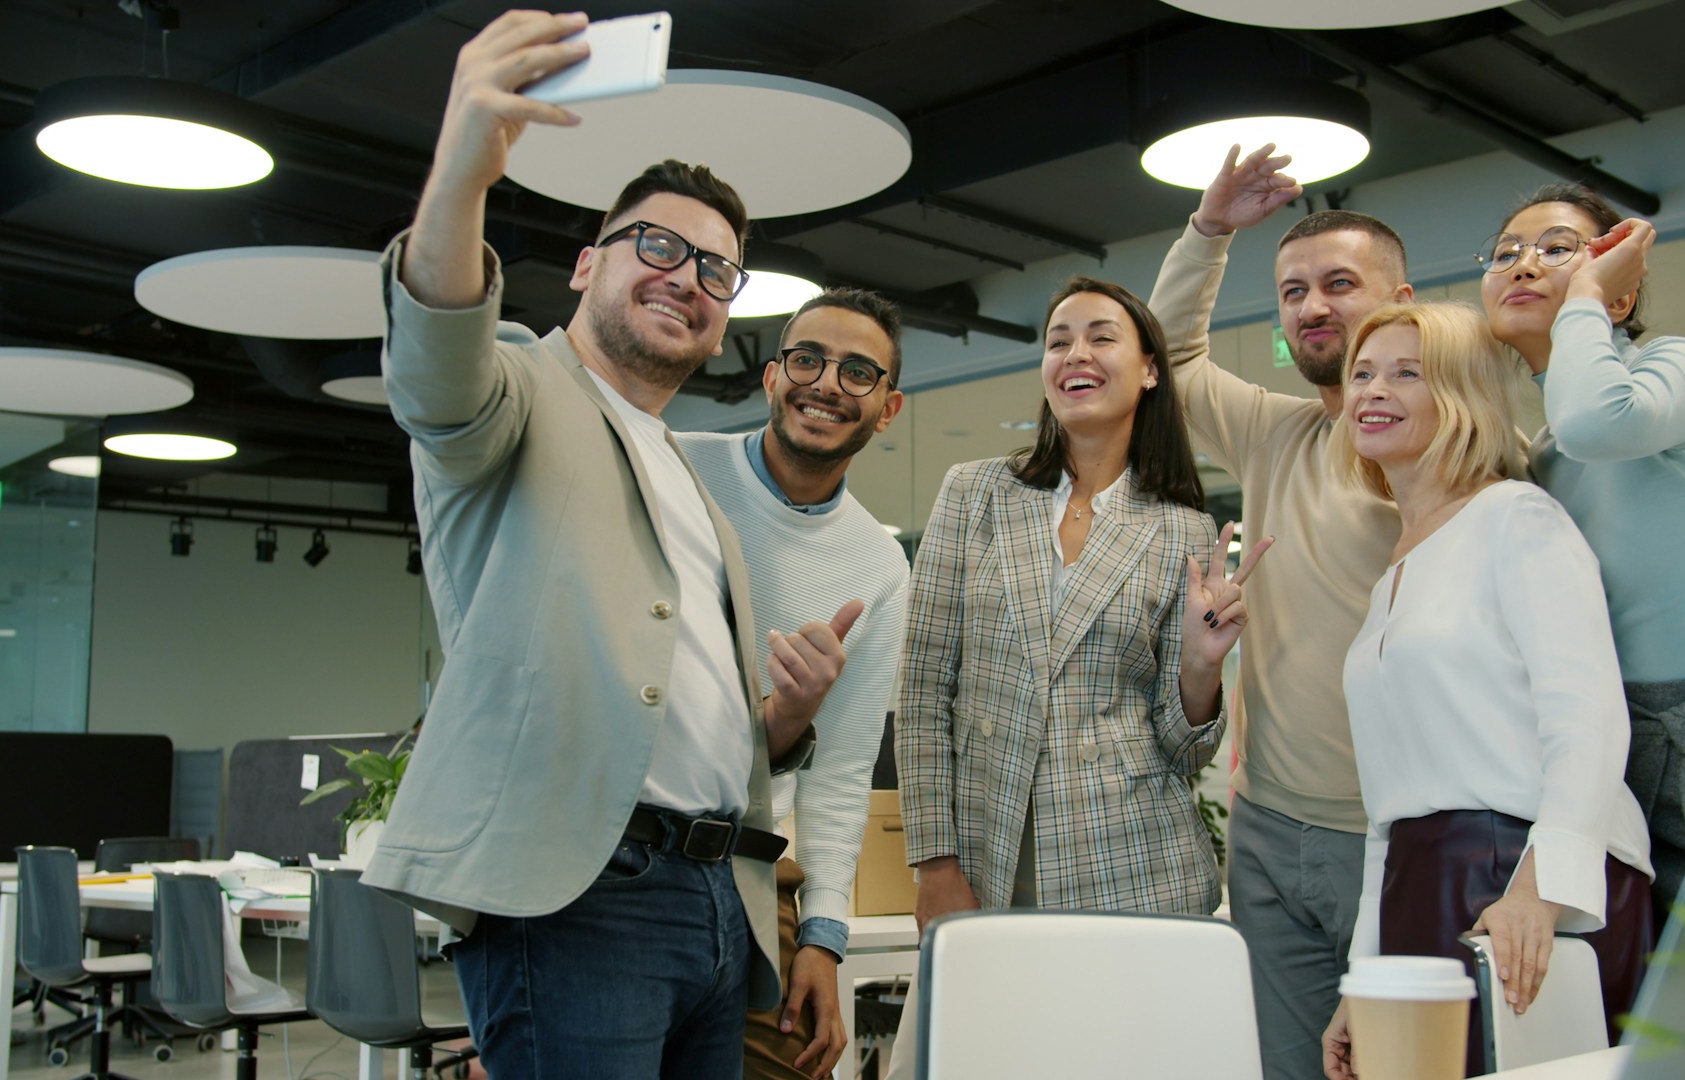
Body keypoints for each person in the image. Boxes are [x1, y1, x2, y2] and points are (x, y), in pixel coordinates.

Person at [363, 12, 858, 1076]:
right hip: (580, 895)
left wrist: (786, 717)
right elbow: (434, 364)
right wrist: (464, 166)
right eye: (662, 247)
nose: (689, 277)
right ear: (587, 266)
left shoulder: (689, 478)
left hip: (714, 897)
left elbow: (672, 715)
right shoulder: (516, 392)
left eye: (719, 272)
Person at [1318, 302, 1653, 1080]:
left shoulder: (1517, 517)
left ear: (1463, 396)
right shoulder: (1391, 576)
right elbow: (1387, 815)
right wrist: (1362, 982)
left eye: (1408, 372)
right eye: (1362, 373)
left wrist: (1541, 889)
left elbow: (1590, 716)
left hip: (1522, 874)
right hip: (1420, 878)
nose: (1373, 389)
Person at [1147, 144, 1407, 1080]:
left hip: (1397, 836)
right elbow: (1168, 356)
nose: (1313, 307)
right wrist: (1208, 231)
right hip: (1267, 830)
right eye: (1293, 291)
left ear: (1402, 300)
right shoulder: (1275, 431)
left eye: (1340, 283)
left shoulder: (1452, 449)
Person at [900, 273, 1267, 926]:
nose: (1076, 355)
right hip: (988, 860)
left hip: (1135, 863)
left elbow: (1184, 750)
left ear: (1150, 370)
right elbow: (925, 689)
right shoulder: (974, 494)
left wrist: (1202, 666)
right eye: (1058, 342)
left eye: (1102, 338)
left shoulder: (1180, 527)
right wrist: (934, 862)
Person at [1480, 182, 1685, 917]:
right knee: (1657, 1009)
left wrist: (1587, 296)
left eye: (1558, 249)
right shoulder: (1547, 452)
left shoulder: (1683, 369)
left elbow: (1603, 422)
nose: (1524, 264)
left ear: (1618, 296)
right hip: (1624, 755)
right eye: (1505, 254)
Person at [675, 287, 911, 1080]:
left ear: (888, 408)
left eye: (858, 372)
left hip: (754, 869)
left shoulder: (878, 564)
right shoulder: (678, 467)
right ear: (772, 376)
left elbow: (842, 775)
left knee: (793, 1060)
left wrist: (825, 937)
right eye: (808, 359)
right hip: (623, 847)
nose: (826, 383)